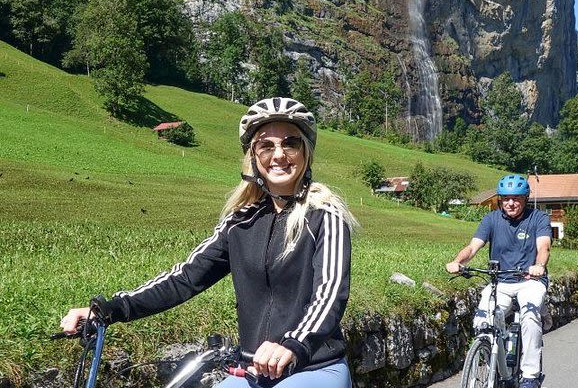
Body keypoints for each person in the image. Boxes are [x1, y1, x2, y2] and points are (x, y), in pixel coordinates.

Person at [59, 97, 358, 388]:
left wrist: (294, 344)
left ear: (305, 152)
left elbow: (330, 293)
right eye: (266, 145)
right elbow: (185, 277)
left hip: (313, 366)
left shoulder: (325, 215)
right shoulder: (241, 222)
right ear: (253, 157)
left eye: (290, 142)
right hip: (255, 372)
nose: (278, 154)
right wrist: (112, 309)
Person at [446, 174, 551, 388]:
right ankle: (490, 359)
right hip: (500, 282)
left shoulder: (538, 218)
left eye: (516, 198)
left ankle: (530, 375)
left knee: (530, 319)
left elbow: (544, 247)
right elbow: (473, 247)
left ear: (525, 199)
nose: (510, 203)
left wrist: (539, 266)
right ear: (500, 200)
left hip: (529, 280)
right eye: (505, 199)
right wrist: (457, 262)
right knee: (482, 321)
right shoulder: (491, 219)